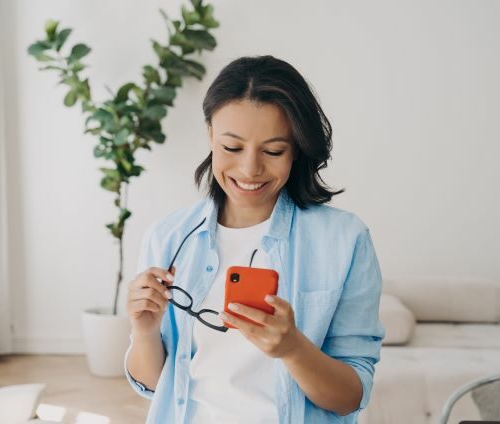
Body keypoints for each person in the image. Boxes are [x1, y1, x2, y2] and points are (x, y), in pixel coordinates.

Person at [124, 55, 385, 424]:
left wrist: (293, 349)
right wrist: (144, 329)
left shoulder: (344, 240)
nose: (250, 169)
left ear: (296, 148)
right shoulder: (167, 237)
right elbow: (155, 386)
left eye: (273, 151)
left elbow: (350, 397)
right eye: (232, 148)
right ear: (211, 135)